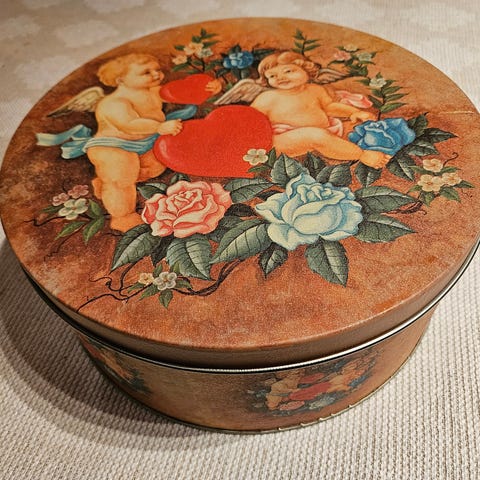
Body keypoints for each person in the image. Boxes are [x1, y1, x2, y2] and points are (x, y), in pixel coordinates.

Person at [87, 53, 220, 232]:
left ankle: (105, 182)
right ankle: (122, 216)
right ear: (121, 79)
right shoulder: (114, 103)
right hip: (111, 147)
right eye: (146, 72)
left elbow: (182, 93)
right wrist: (159, 127)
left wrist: (208, 88)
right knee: (122, 178)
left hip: (145, 142)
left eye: (157, 69)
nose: (156, 74)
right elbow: (129, 124)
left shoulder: (153, 91)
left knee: (154, 168)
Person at [250, 51, 388, 168]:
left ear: (306, 69)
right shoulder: (267, 97)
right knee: (315, 135)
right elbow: (250, 120)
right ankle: (363, 155)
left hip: (323, 131)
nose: (280, 78)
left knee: (356, 126)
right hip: (280, 140)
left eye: (288, 71)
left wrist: (354, 112)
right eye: (272, 76)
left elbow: (329, 107)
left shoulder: (315, 89)